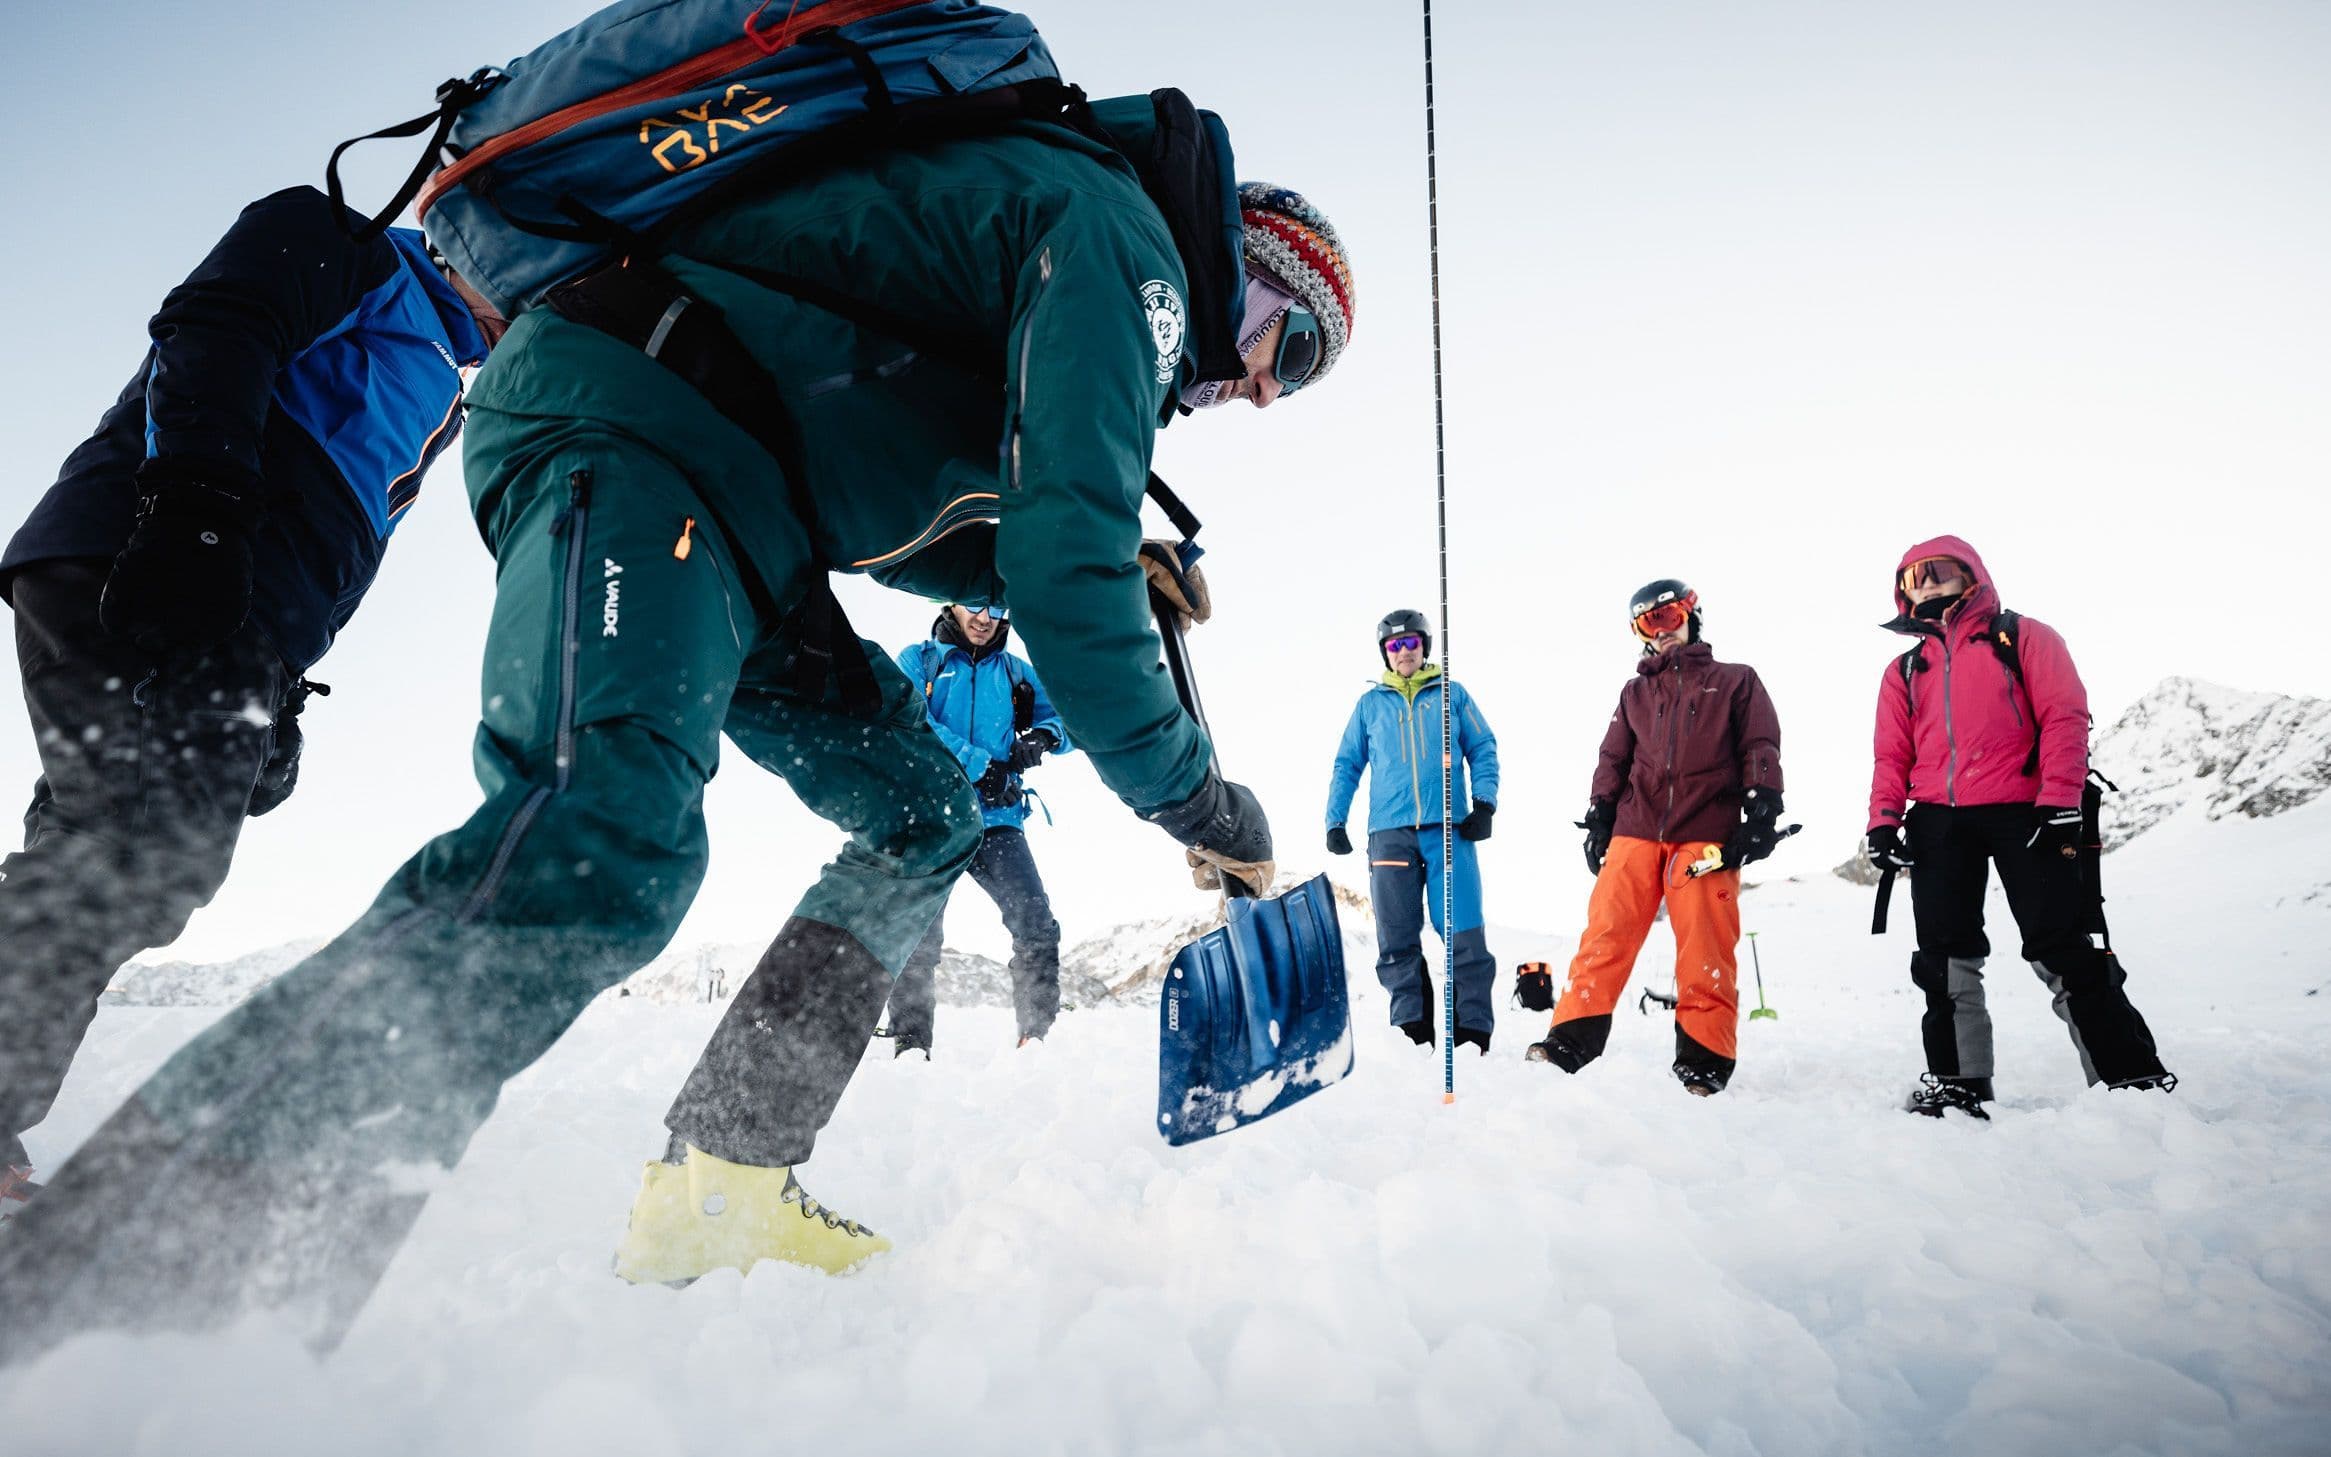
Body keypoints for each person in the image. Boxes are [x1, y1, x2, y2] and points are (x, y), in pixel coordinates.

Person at [0, 112, 1353, 1354]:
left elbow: (914, 484)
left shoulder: (1081, 260)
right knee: (598, 836)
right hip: (636, 425)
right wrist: (1193, 794)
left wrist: (1076, 572)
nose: (1271, 392)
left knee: (922, 811)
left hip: (745, 498)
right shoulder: (1129, 250)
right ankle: (126, 1278)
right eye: (1291, 346)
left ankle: (724, 1176)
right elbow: (1063, 560)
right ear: (1247, 257)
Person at [0, 185, 497, 1209]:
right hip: (143, 554)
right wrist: (196, 509)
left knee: (104, 846)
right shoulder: (348, 242)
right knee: (142, 849)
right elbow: (219, 321)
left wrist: (279, 693)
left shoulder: (444, 388)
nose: (529, 302)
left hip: (237, 614)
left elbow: (328, 538)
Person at [1867, 536, 2173, 1118]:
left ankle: (2128, 1079)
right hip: (1937, 819)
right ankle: (1959, 1082)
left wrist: (2060, 801)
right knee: (1943, 957)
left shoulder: (2023, 636)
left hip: (2024, 810)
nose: (1927, 584)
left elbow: (2064, 714)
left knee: (2061, 946)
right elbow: (1891, 754)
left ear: (1971, 573)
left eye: (1939, 571)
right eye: (1914, 578)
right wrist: (1884, 822)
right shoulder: (1905, 668)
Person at [1525, 580, 1784, 1095]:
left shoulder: (1736, 681)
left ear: (1691, 615)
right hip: (1635, 828)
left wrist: (1761, 809)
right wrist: (1600, 816)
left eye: (1667, 616)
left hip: (1705, 831)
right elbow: (1613, 758)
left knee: (1705, 941)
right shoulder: (1635, 692)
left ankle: (1703, 1059)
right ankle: (1570, 1041)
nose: (1661, 631)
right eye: (1648, 623)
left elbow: (1760, 743)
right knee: (1606, 933)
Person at [885, 602, 1071, 1056]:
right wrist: (980, 766)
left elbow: (1070, 714)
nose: (984, 617)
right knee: (918, 934)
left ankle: (1036, 1039)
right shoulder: (920, 660)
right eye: (973, 604)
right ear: (948, 602)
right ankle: (910, 1045)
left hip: (998, 821)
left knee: (1035, 923)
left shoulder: (1015, 672)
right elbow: (909, 720)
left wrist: (1043, 736)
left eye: (996, 606)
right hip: (931, 817)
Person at [1325, 609, 1501, 1050]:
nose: (1403, 652)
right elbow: (1347, 764)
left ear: (1424, 646)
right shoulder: (1369, 706)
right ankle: (1412, 1029)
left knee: (1462, 929)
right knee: (1396, 934)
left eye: (1411, 643)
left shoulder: (1451, 695)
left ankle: (1472, 1030)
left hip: (1449, 829)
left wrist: (1484, 803)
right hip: (1389, 832)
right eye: (1394, 645)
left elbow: (1482, 747)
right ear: (1385, 654)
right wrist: (1335, 820)